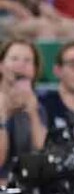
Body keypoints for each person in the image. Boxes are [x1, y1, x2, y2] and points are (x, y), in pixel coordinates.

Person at [0, 40, 47, 181]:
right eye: (14, 59)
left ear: (34, 70)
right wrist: (2, 116)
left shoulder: (38, 108)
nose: (21, 64)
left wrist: (32, 113)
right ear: (1, 65)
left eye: (28, 60)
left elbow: (40, 150)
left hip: (23, 187)